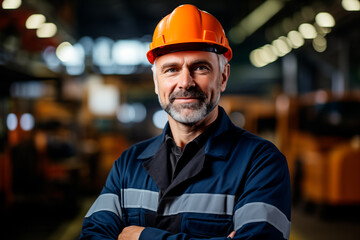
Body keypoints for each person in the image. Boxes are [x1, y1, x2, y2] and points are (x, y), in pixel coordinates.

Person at [79, 4, 291, 240]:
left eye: (200, 67)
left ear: (223, 76)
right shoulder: (127, 166)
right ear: (156, 82)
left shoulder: (261, 163)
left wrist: (142, 237)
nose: (185, 82)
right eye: (171, 69)